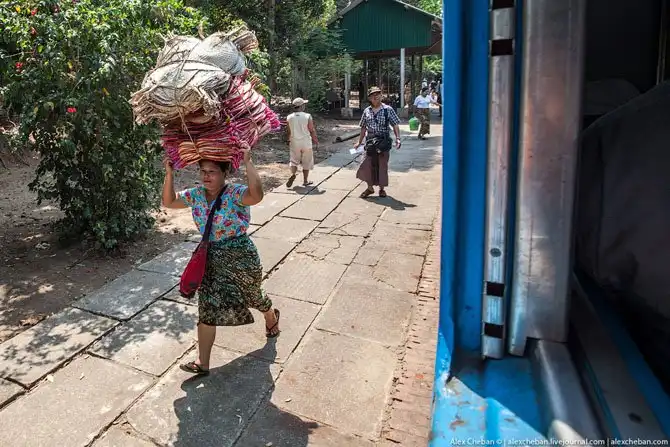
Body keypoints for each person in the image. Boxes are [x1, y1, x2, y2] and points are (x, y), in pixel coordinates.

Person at [162, 150, 281, 376]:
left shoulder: (235, 193)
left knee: (253, 295)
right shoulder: (196, 194)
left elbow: (256, 196)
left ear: (225, 173)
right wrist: (169, 173)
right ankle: (202, 362)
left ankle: (270, 315)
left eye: (212, 172)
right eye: (203, 171)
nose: (206, 176)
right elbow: (168, 202)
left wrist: (248, 162)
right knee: (207, 306)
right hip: (211, 258)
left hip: (240, 256)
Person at [353, 86, 402, 198]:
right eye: (373, 95)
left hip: (383, 142)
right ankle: (370, 188)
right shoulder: (367, 111)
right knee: (366, 164)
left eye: (377, 94)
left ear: (381, 96)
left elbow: (395, 124)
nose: (375, 97)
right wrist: (359, 142)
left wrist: (398, 138)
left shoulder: (388, 109)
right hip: (370, 142)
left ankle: (382, 189)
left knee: (382, 165)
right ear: (369, 98)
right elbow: (363, 127)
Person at [286, 97, 319, 188]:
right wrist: (315, 140)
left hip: (294, 141)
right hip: (306, 142)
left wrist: (288, 140)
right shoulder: (307, 116)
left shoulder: (289, 117)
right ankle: (305, 181)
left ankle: (293, 174)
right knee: (306, 161)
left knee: (293, 160)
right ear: (301, 106)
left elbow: (289, 131)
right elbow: (311, 130)